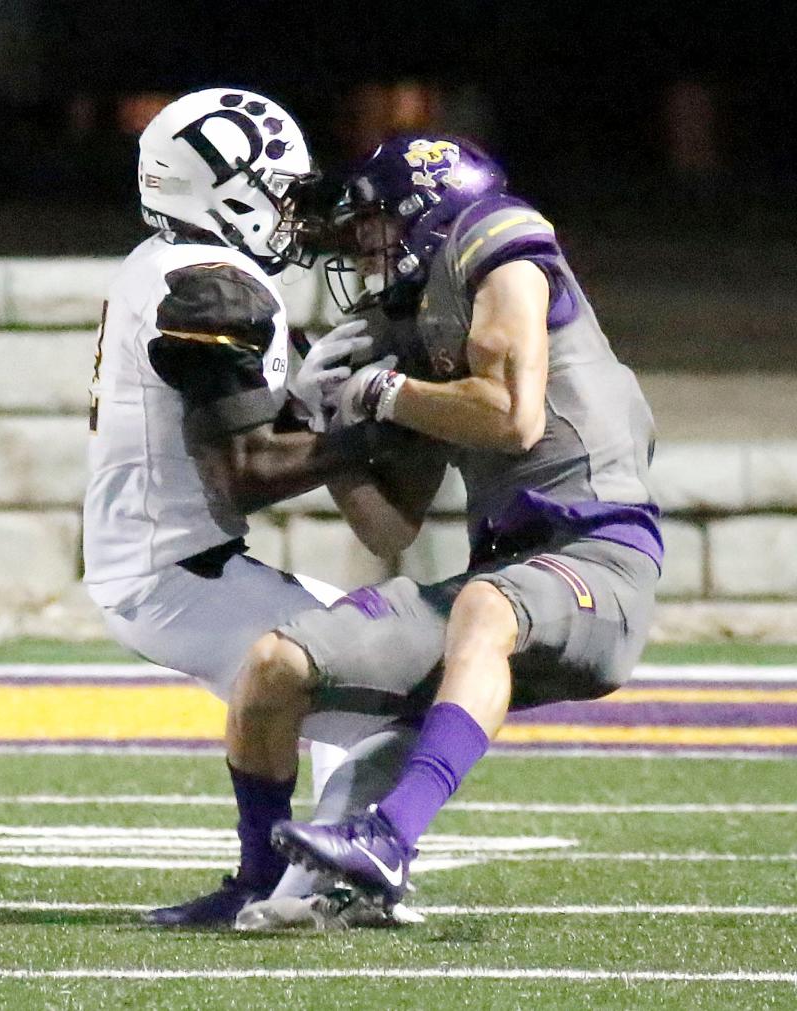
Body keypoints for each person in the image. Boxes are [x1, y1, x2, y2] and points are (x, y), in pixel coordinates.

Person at [222, 133, 663, 917]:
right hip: (499, 580)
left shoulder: (499, 243)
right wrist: (337, 435)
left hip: (600, 561)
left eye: (373, 228)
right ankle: (258, 883)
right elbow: (389, 528)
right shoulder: (423, 333)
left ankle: (388, 842)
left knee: (485, 608)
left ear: (427, 211)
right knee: (273, 666)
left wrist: (382, 390)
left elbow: (513, 416)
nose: (363, 251)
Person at [81, 88, 415, 927]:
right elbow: (245, 474)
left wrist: (314, 401)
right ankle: (297, 889)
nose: (293, 211)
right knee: (400, 694)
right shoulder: (210, 292)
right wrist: (371, 418)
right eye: (280, 190)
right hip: (176, 577)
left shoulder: (173, 267)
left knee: (358, 687)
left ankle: (282, 878)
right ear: (225, 189)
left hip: (174, 564)